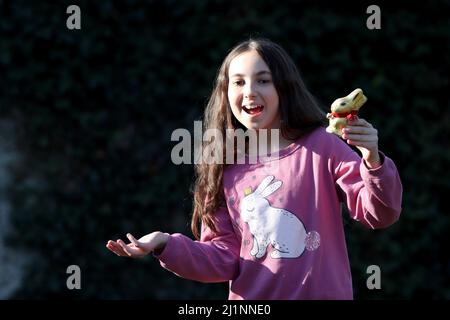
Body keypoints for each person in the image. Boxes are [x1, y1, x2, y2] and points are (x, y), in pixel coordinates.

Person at [106, 38, 402, 300]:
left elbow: (380, 213)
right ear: (226, 92)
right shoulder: (225, 166)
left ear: (284, 87)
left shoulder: (322, 146)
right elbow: (223, 259)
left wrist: (373, 160)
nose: (250, 91)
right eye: (238, 82)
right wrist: (164, 243)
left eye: (263, 80)